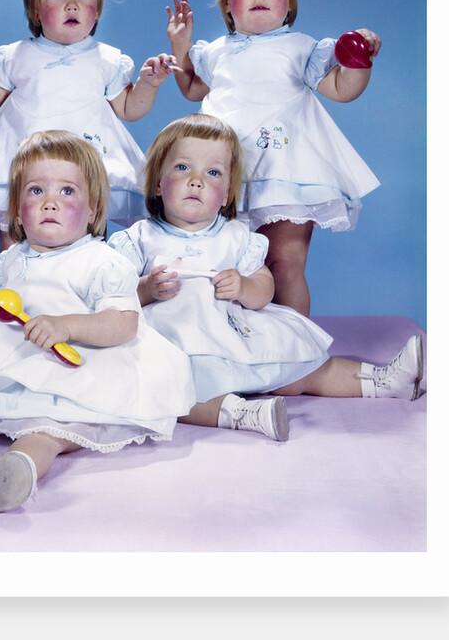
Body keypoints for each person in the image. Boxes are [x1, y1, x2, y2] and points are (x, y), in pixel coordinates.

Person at [0, 130, 197, 513]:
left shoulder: (101, 262)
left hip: (76, 363)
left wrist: (67, 326)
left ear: (93, 210)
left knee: (46, 427)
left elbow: (123, 322)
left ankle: (20, 467)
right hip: (12, 357)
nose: (49, 203)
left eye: (66, 192)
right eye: (35, 191)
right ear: (16, 209)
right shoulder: (13, 260)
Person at [108, 115, 423, 443]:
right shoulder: (138, 239)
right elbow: (114, 296)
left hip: (232, 335)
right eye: (183, 168)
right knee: (168, 390)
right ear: (158, 182)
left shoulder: (237, 237)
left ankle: (382, 380)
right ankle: (241, 414)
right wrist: (145, 288)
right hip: (173, 346)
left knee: (301, 370)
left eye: (212, 172)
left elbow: (264, 288)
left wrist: (244, 287)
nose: (196, 181)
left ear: (228, 194)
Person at [166, 0, 381, 316]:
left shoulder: (301, 47)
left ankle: (298, 353)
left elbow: (341, 89)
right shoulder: (214, 52)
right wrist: (181, 48)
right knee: (234, 266)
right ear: (227, 4)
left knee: (284, 264)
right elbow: (191, 89)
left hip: (286, 172)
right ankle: (247, 344)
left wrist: (357, 59)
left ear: (290, 0)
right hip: (227, 174)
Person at [0, 0, 173, 250]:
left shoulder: (107, 60)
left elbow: (129, 108)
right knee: (16, 230)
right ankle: (13, 290)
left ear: (99, 8)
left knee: (90, 235)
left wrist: (148, 84)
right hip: (25, 160)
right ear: (35, 10)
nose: (72, 4)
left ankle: (89, 289)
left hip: (86, 162)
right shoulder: (17, 55)